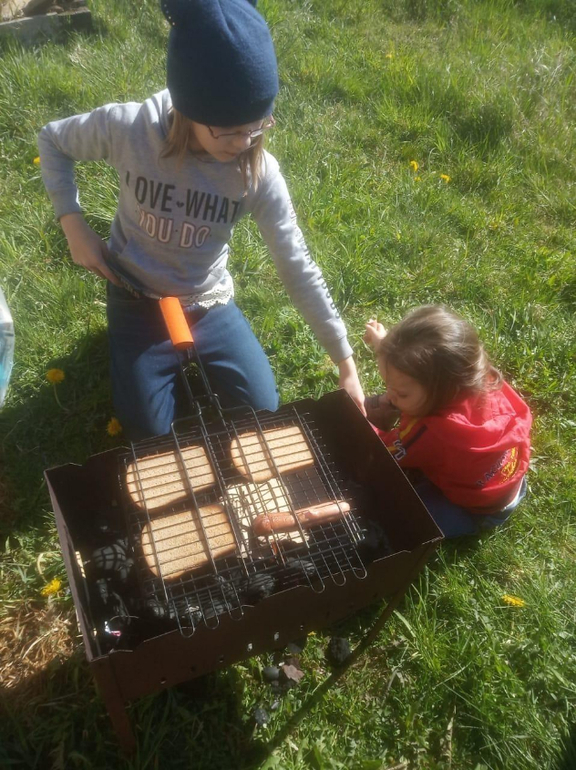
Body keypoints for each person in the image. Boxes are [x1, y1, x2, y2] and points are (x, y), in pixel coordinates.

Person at [38, 0, 364, 440]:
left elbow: (296, 264)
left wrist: (345, 360)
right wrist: (72, 222)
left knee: (263, 410)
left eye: (257, 126)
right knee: (150, 434)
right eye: (228, 129)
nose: (243, 142)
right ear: (188, 107)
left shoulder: (256, 172)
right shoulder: (131, 129)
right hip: (136, 296)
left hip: (207, 302)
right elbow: (53, 141)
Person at [363, 305, 532, 538]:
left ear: (442, 393)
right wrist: (384, 345)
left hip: (475, 509)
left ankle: (467, 524)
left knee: (398, 514)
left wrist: (357, 419)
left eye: (401, 393)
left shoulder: (432, 432)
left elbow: (385, 452)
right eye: (387, 385)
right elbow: (426, 361)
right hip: (510, 480)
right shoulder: (478, 377)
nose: (390, 395)